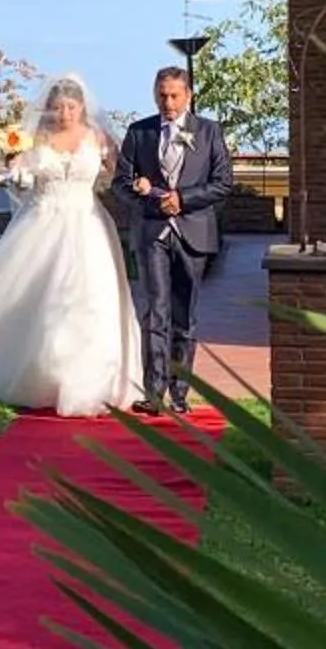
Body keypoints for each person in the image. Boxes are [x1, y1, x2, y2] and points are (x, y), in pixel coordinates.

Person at [0, 73, 144, 416]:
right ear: (49, 108)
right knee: (35, 297)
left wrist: (141, 188)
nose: (65, 113)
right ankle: (31, 374)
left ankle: (89, 379)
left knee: (90, 301)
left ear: (82, 107)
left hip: (88, 225)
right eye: (59, 107)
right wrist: (15, 168)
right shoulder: (35, 138)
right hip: (42, 224)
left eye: (71, 107)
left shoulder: (98, 137)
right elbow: (19, 179)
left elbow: (122, 174)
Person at [114, 66, 232, 414]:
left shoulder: (209, 131)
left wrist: (183, 199)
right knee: (156, 312)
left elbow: (223, 182)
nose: (167, 103)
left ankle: (180, 394)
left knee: (184, 316)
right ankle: (153, 394)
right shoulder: (139, 132)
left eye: (174, 96)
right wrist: (149, 201)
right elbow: (120, 184)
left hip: (193, 234)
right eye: (162, 95)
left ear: (188, 96)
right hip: (152, 234)